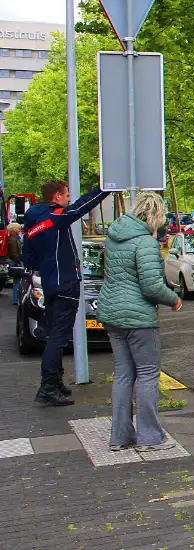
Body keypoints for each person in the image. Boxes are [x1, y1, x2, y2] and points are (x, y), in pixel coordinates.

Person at [98, 192, 182, 452]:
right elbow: (150, 286)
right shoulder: (145, 242)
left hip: (111, 312)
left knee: (123, 374)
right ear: (155, 215)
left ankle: (120, 436)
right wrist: (173, 300)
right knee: (147, 374)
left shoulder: (114, 236)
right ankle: (150, 438)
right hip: (138, 317)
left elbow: (118, 273)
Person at [22, 181, 110, 406]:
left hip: (51, 284)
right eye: (67, 195)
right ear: (57, 197)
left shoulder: (33, 222)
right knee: (59, 338)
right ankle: (48, 386)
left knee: (54, 336)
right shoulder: (54, 217)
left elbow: (29, 259)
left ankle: (56, 381)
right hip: (66, 284)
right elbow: (81, 206)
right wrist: (107, 186)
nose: (69, 198)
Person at [8, 223, 22, 306]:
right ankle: (16, 299)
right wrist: (18, 262)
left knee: (17, 281)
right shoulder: (12, 239)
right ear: (15, 230)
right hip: (15, 261)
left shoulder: (14, 238)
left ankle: (16, 299)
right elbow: (14, 253)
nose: (20, 230)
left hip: (15, 261)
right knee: (17, 281)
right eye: (19, 229)